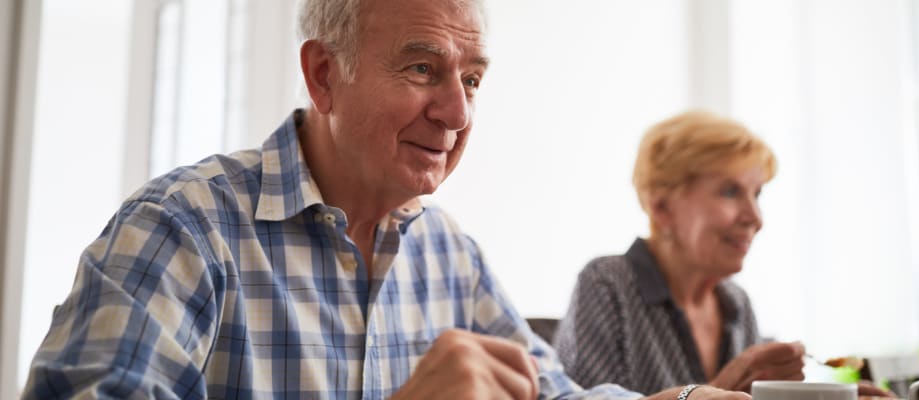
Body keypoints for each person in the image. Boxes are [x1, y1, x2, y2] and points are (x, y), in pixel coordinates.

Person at [21, 1, 751, 399]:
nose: (458, 114)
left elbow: (555, 395)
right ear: (324, 76)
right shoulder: (184, 228)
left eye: (471, 80)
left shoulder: (448, 252)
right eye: (422, 68)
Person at [551, 111, 894, 398]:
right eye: (730, 192)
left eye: (757, 194)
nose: (755, 218)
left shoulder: (736, 303)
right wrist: (718, 389)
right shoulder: (607, 284)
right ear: (662, 206)